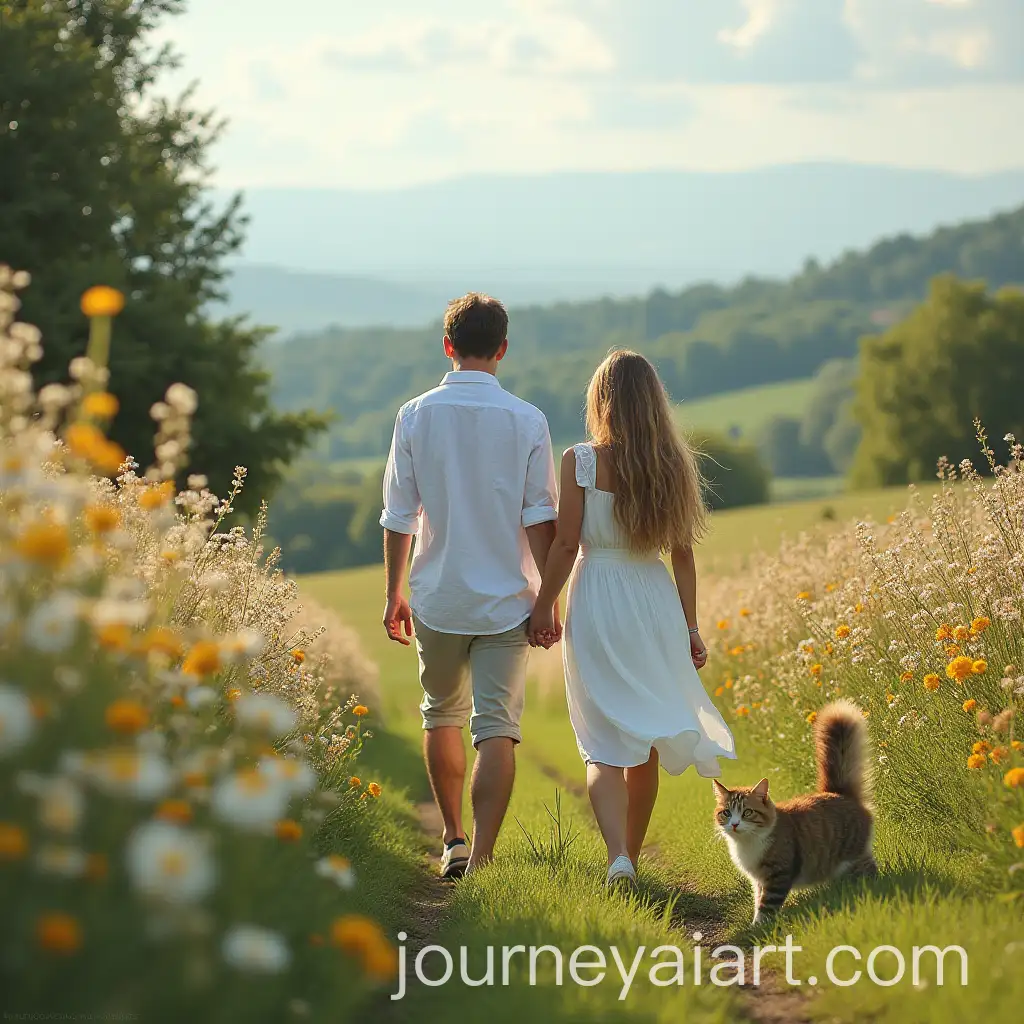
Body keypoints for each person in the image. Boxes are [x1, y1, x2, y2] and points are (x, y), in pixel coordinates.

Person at [528, 349, 736, 888]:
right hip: (654, 600)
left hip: (598, 595)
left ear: (601, 401)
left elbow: (567, 543)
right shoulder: (673, 464)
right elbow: (683, 554)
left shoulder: (580, 460)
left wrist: (544, 604)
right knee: (642, 736)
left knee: (602, 739)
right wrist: (691, 627)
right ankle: (633, 861)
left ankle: (617, 856)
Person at [380, 293, 559, 879]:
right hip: (509, 600)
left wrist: (394, 594)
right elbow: (540, 517)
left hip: (437, 595)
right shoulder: (529, 420)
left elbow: (399, 516)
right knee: (498, 730)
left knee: (441, 716)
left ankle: (453, 839)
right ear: (503, 349)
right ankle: (482, 858)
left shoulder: (413, 416)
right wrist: (548, 602)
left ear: (447, 347)